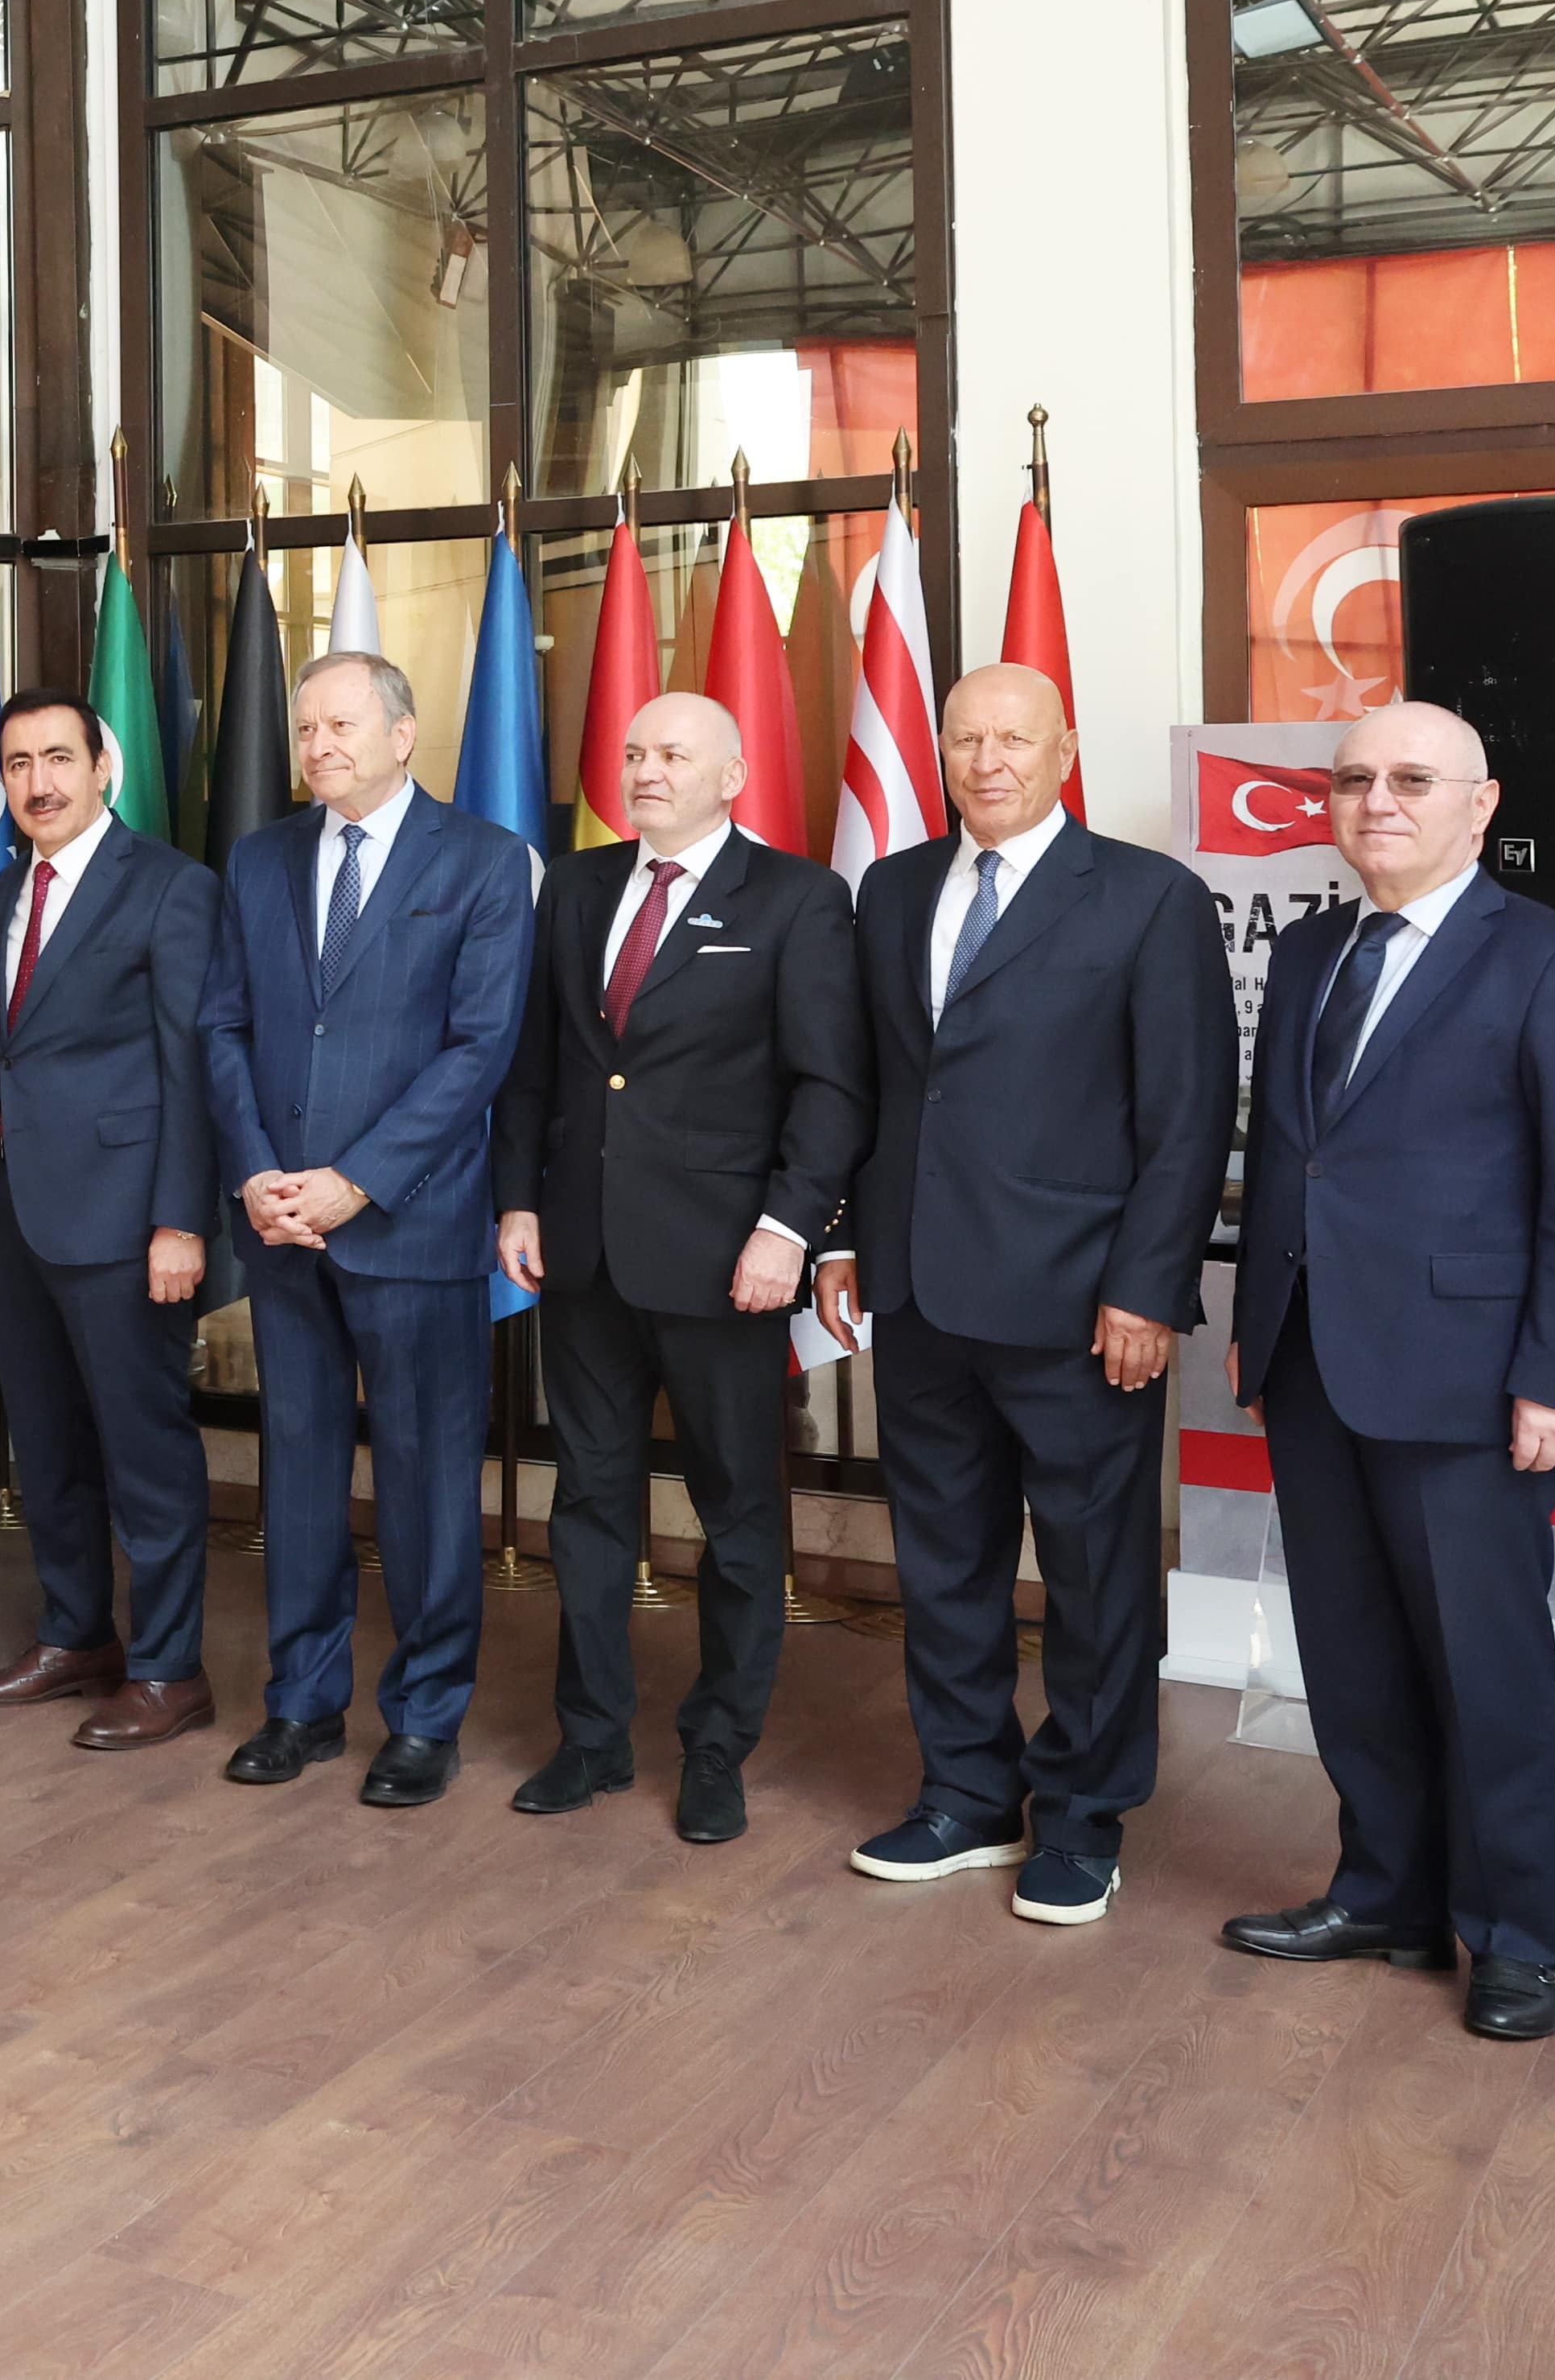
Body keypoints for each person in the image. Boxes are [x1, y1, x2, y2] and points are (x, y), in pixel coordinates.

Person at [1220, 701, 1555, 2042]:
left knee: (1486, 1665)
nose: (1378, 800)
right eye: (1354, 779)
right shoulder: (1311, 949)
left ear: (1481, 802)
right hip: (1311, 1358)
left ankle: (1517, 1938)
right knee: (1351, 1655)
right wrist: (1256, 1319)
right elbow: (1292, 1155)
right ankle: (1386, 1893)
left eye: (1413, 777)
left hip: (1471, 1376)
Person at [812, 664, 1231, 1926]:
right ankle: (967, 1794)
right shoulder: (892, 889)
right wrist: (844, 1238)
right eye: (965, 739)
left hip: (1080, 1304)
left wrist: (1147, 1288)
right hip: (920, 1291)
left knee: (1097, 1574)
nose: (987, 761)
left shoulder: (1150, 896)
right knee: (945, 1564)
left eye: (1013, 739)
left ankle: (1086, 1815)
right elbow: (872, 1086)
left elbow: (1187, 1116)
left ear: (1064, 751)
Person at [490, 693, 868, 1843]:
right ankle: (591, 1737)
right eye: (634, 752)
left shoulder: (797, 897)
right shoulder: (577, 885)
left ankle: (718, 1745)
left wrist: (788, 1230)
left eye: (673, 754)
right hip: (583, 1253)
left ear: (734, 773)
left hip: (724, 1261)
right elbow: (539, 1060)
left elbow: (829, 1085)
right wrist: (518, 1196)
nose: (646, 770)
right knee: (588, 1503)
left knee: (737, 1511)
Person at [200, 651, 532, 1809]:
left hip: (412, 1221)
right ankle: (300, 1702)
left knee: (427, 1483)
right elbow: (224, 1025)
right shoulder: (259, 858)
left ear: (402, 733)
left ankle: (426, 1716)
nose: (319, 745)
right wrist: (256, 1171)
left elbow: (479, 1049)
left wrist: (359, 1180)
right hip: (282, 1222)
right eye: (305, 728)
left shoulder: (484, 860)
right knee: (297, 1474)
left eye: (342, 724)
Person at [0, 690, 224, 1748]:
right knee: (46, 1442)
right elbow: (6, 1060)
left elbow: (190, 1065)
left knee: (144, 1450)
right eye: (19, 763)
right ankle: (77, 1634)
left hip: (125, 1222)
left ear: (100, 766)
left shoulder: (170, 886)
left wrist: (180, 1221)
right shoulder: (7, 887)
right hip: (19, 1217)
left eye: (59, 757)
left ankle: (169, 1667)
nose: (40, 782)